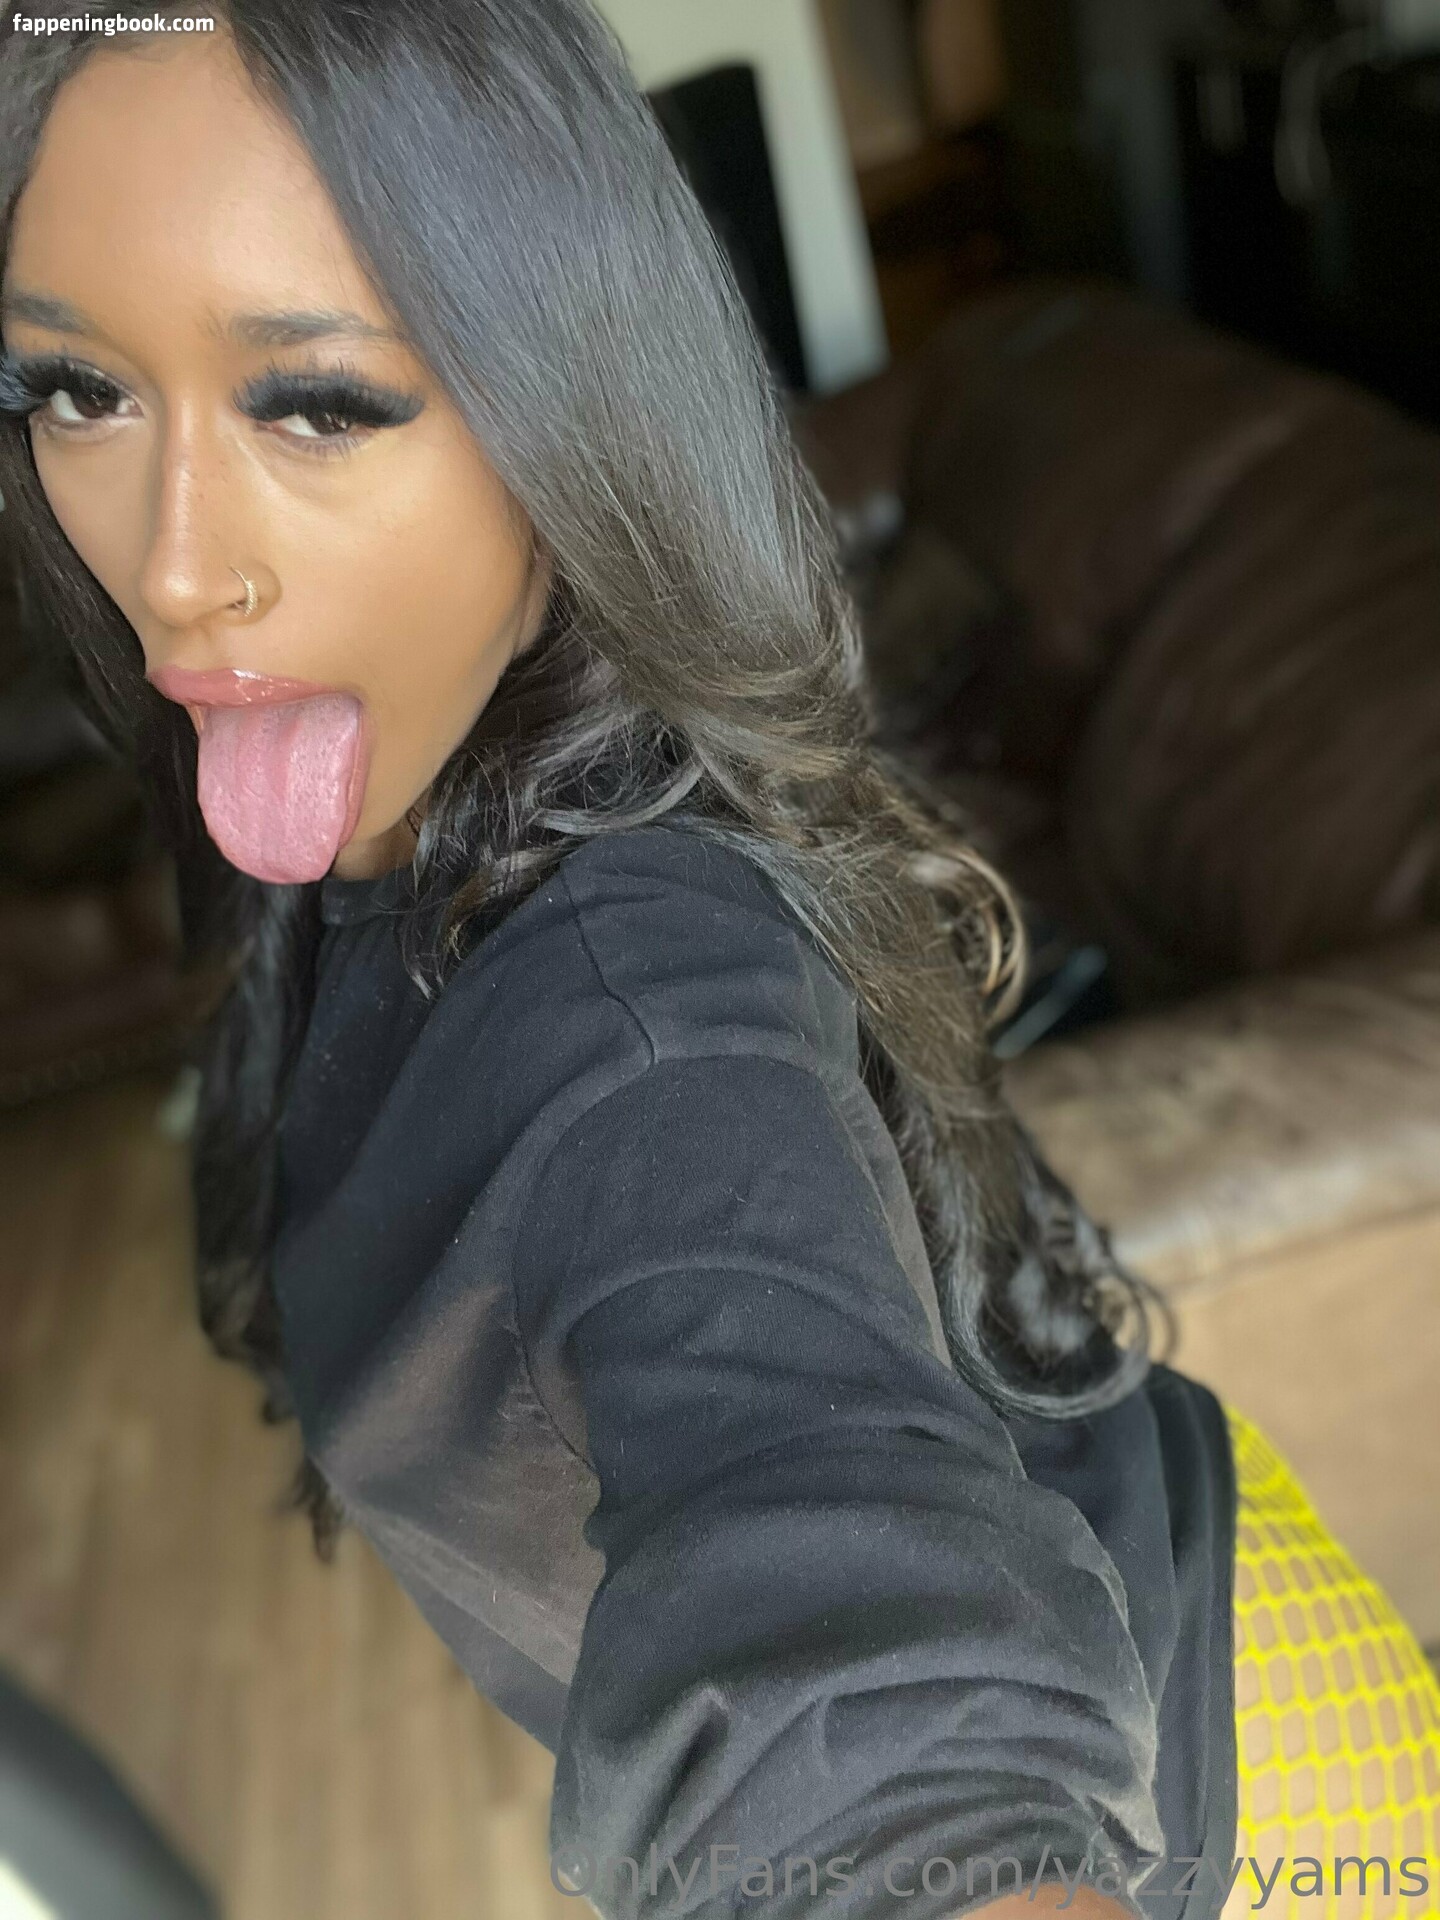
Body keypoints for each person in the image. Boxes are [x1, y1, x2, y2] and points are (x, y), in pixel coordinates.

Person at [0, 6, 1436, 1918]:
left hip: (1254, 1800)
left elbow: (877, 1727)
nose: (176, 569)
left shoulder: (642, 1021)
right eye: (76, 389)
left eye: (318, 404)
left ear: (574, 399)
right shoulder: (365, 787)